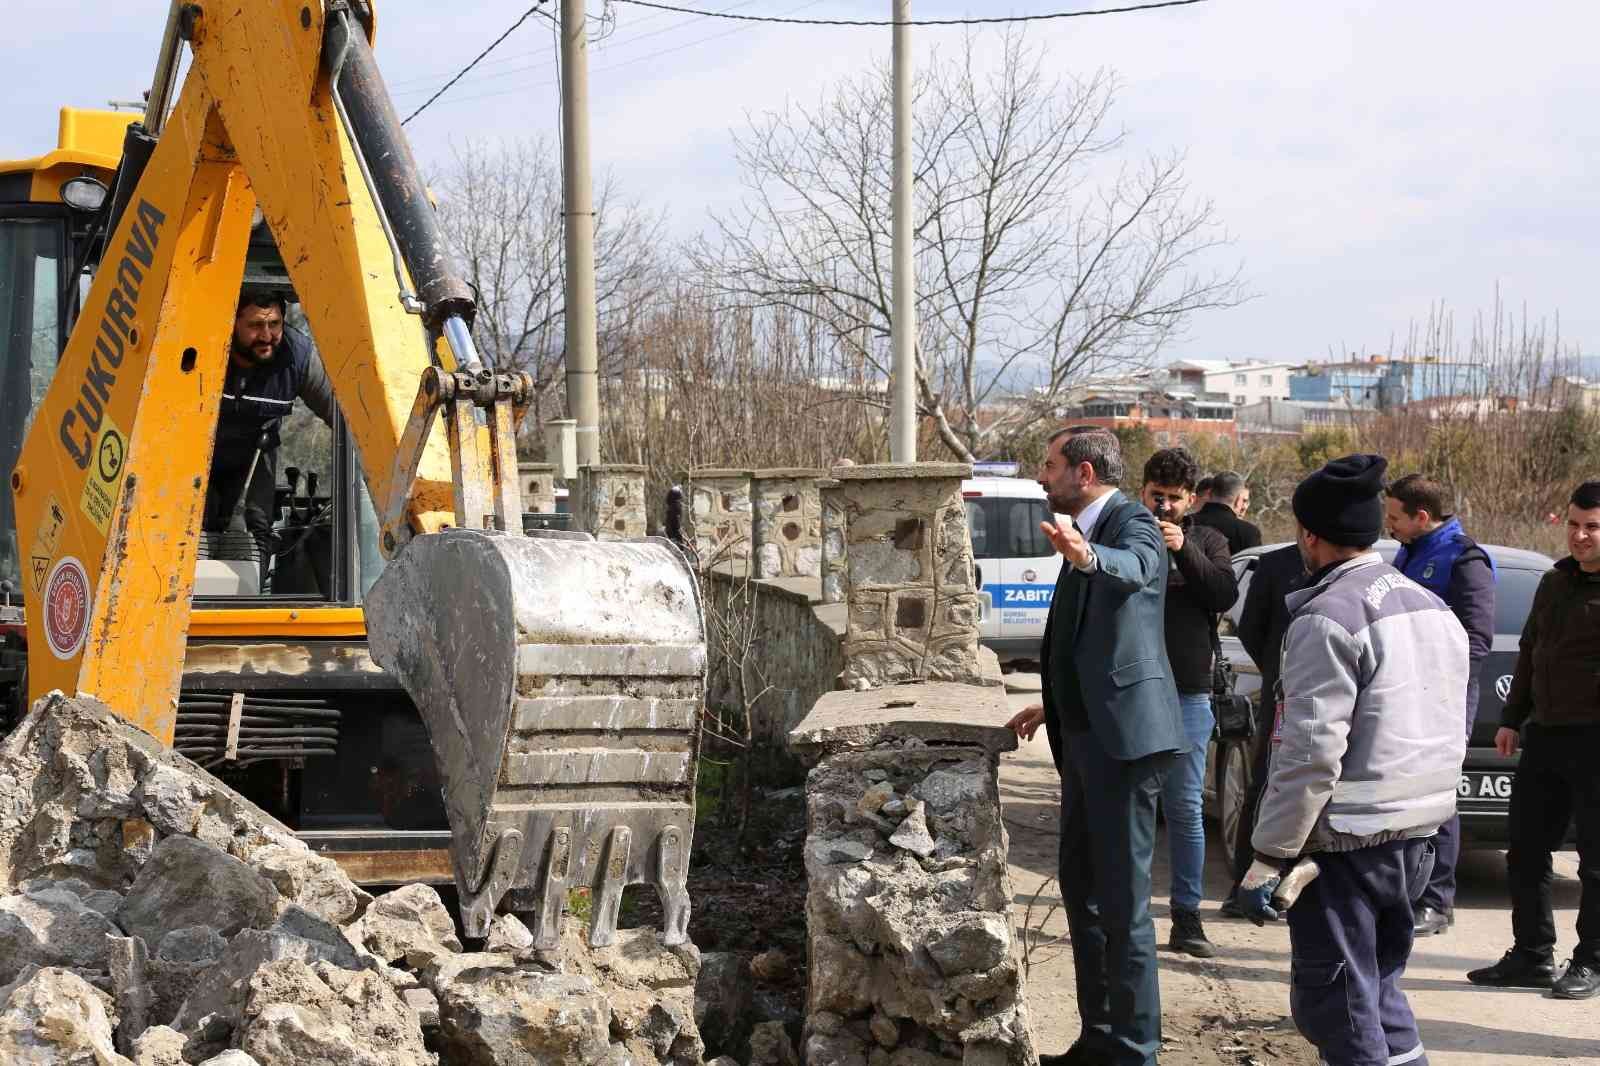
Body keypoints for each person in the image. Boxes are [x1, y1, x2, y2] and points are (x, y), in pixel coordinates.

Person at [1240, 454, 1468, 1066]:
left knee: (1335, 1006)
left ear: (1309, 535)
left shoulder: (1327, 617)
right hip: (1420, 837)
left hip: (1349, 847)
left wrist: (1270, 854)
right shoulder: (1428, 604)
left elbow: (1308, 754)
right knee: (1378, 993)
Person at [1007, 428, 1182, 1066]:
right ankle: (1099, 1038)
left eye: (1049, 465)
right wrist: (1051, 706)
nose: (1040, 474)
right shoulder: (1078, 526)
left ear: (1083, 471)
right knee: (1082, 890)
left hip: (1125, 745)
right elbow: (1083, 642)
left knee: (1123, 901)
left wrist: (1088, 558)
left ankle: (1136, 1048)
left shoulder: (1132, 523)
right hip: (1081, 740)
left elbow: (1136, 571)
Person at [1466, 481, 1600, 1000]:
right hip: (1544, 735)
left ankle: (1590, 961)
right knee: (1524, 850)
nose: (1580, 535)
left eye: (1591, 526)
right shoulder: (1554, 582)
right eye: (1573, 524)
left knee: (1594, 862)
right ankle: (1531, 954)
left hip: (1595, 742)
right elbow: (1529, 652)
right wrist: (1511, 718)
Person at [1385, 474, 1496, 936]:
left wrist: (1432, 676)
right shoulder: (1407, 552)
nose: (1388, 525)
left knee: (1438, 796)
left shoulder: (1464, 558)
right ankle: (1404, 892)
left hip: (1444, 697)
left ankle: (1437, 900)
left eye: (1394, 517)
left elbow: (1477, 638)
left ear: (1421, 517)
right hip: (1401, 691)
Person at [1139, 447, 1237, 957]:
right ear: (1143, 491)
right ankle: (1127, 915)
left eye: (1175, 500)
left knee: (1185, 808)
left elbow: (1223, 594)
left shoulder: (1208, 539)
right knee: (1132, 807)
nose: (1165, 508)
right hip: (1133, 691)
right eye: (1157, 497)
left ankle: (1186, 916)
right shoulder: (1126, 533)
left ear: (1192, 499)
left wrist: (1182, 549)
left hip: (1188, 692)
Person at [203, 290, 336, 554]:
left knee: (255, 530)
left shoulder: (298, 357)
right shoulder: (200, 347)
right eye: (254, 326)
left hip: (253, 456)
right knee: (191, 524)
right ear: (231, 323)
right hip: (194, 453)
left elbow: (345, 418)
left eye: (274, 324)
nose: (266, 336)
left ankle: (245, 588)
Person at [1218, 541, 1306, 918]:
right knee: (1264, 786)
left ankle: (1300, 889)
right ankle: (1244, 886)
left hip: (1333, 698)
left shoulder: (1353, 569)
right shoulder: (1275, 565)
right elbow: (1251, 629)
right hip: (1280, 694)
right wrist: (1276, 669)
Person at [1191, 470, 1261, 555]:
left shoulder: (1184, 523)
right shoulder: (1248, 533)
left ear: (1209, 494)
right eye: (1244, 501)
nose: (1244, 507)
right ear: (1238, 500)